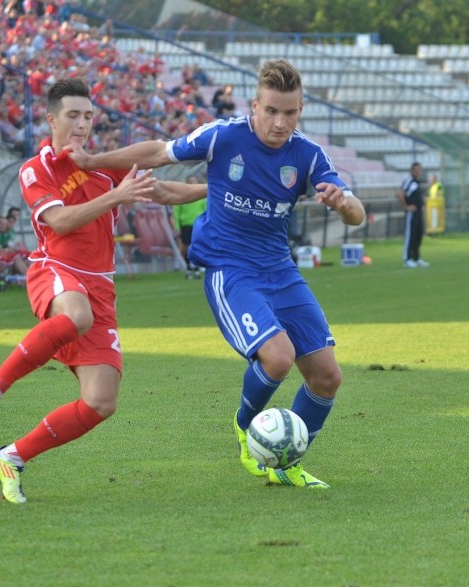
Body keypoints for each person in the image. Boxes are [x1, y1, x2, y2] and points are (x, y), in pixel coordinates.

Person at [68, 59, 365, 490]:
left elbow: (356, 213)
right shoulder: (224, 136)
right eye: (272, 111)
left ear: (300, 111)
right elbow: (157, 151)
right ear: (255, 105)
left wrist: (342, 203)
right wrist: (93, 159)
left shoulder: (307, 155)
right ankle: (246, 429)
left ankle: (285, 461)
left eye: (291, 113)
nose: (280, 123)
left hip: (280, 271)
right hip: (231, 270)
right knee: (278, 358)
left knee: (327, 377)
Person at [0, 78, 166, 504]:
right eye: (72, 115)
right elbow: (62, 222)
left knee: (100, 402)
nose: (82, 124)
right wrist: (117, 196)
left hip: (101, 286)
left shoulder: (103, 164)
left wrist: (220, 193)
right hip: (56, 268)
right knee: (76, 316)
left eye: (88, 116)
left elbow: (161, 174)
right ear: (51, 119)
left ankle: (11, 457)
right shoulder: (37, 168)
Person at [172, 174, 206, 279]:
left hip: (198, 224)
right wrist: (177, 226)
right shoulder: (183, 196)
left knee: (197, 246)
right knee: (186, 247)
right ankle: (188, 269)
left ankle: (196, 269)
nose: (193, 183)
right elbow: (176, 212)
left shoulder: (202, 197)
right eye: (190, 181)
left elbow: (206, 211)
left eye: (194, 181)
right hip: (186, 224)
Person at [398, 162, 428, 267]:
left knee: (418, 235)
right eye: (416, 169)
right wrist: (406, 207)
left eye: (419, 169)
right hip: (411, 213)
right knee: (410, 235)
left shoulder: (417, 182)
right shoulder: (409, 181)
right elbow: (400, 193)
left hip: (419, 213)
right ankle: (407, 258)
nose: (418, 171)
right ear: (412, 170)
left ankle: (416, 257)